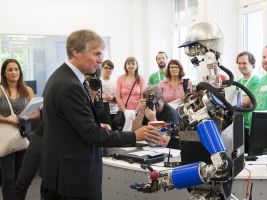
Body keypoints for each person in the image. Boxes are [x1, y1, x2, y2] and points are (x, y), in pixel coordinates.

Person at [41, 29, 160, 200]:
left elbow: (72, 125)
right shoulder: (69, 85)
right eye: (96, 53)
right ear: (76, 52)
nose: (101, 59)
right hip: (73, 177)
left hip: (65, 171)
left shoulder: (64, 77)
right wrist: (135, 135)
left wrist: (95, 125)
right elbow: (91, 134)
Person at [0, 58, 40, 200]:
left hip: (23, 136)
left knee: (20, 178)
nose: (13, 72)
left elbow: (36, 113)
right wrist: (8, 120)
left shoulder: (27, 90)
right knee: (9, 177)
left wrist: (27, 118)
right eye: (10, 69)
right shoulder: (0, 89)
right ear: (4, 73)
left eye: (16, 69)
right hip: (5, 138)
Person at [236, 51, 260, 152]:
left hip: (249, 126)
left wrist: (229, 103)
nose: (241, 66)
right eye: (239, 63)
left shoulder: (257, 81)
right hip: (238, 125)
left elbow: (246, 102)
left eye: (244, 63)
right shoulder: (238, 82)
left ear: (252, 64)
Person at [115, 57, 145, 130]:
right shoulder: (120, 78)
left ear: (136, 66)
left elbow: (142, 97)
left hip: (137, 112)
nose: (131, 65)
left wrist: (135, 112)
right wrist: (125, 111)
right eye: (128, 64)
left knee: (136, 133)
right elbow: (117, 97)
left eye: (133, 64)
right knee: (123, 134)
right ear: (125, 66)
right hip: (123, 111)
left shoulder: (141, 79)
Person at [100, 60, 118, 127]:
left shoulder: (116, 82)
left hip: (115, 111)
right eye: (106, 68)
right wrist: (102, 97)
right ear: (102, 68)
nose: (108, 70)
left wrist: (112, 98)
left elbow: (120, 98)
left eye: (110, 68)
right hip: (102, 112)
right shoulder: (98, 81)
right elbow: (92, 98)